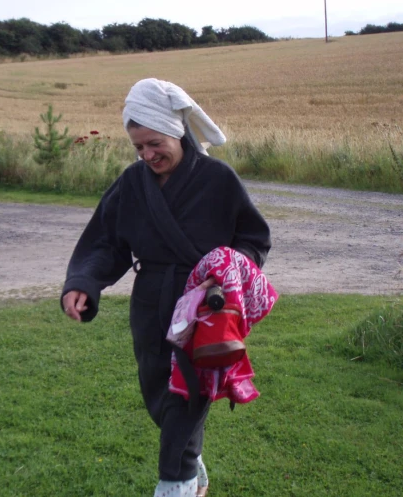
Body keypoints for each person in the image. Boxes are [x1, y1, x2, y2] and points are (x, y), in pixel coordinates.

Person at [61, 78, 271, 497]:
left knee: (187, 395)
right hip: (150, 302)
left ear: (176, 132)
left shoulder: (218, 179)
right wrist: (84, 282)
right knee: (159, 394)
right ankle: (193, 470)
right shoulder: (132, 183)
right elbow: (106, 240)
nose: (148, 154)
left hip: (205, 309)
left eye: (155, 143)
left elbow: (253, 239)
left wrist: (227, 271)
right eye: (139, 147)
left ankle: (175, 483)